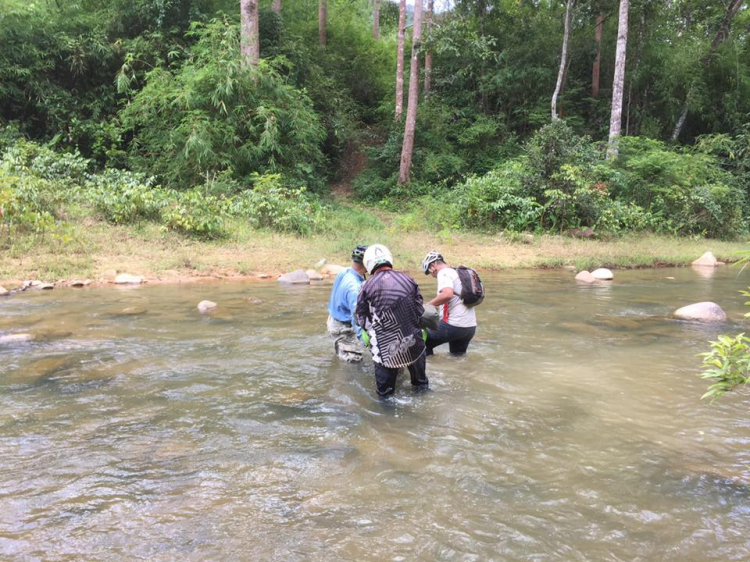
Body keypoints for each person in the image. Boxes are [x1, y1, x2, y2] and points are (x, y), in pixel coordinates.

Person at [356, 244, 429, 398]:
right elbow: (419, 310)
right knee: (421, 387)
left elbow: (362, 318)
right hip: (414, 341)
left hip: (386, 349)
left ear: (368, 263)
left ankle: (386, 420)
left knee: (385, 396)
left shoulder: (365, 286)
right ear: (389, 259)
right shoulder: (409, 279)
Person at [421, 250, 477, 356]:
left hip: (453, 325)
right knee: (457, 358)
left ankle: (430, 370)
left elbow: (447, 294)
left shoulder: (444, 272)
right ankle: (458, 372)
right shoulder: (457, 273)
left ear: (433, 265)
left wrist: (426, 306)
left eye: (429, 271)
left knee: (422, 341)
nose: (432, 275)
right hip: (470, 327)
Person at [326, 245, 368, 362]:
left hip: (333, 320)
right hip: (342, 327)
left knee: (341, 356)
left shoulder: (344, 271)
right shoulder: (354, 288)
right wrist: (366, 342)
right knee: (354, 362)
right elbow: (357, 317)